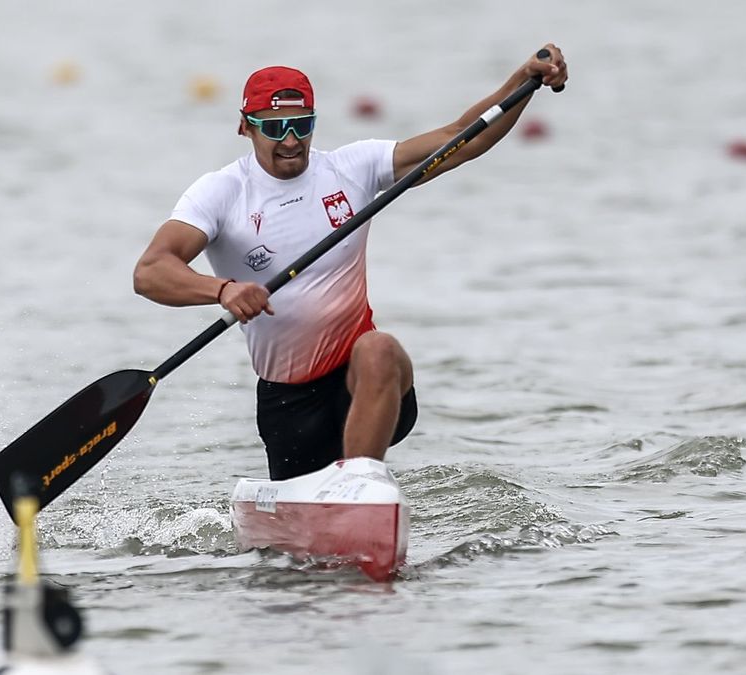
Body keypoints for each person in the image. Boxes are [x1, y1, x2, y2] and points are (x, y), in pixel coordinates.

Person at [133, 46, 568, 481]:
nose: (290, 141)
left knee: (380, 348)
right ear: (245, 127)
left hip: (364, 381)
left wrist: (524, 82)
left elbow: (463, 137)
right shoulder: (221, 193)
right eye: (274, 128)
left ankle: (362, 486)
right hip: (289, 402)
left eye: (302, 126)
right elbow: (151, 272)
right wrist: (223, 290)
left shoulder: (352, 168)